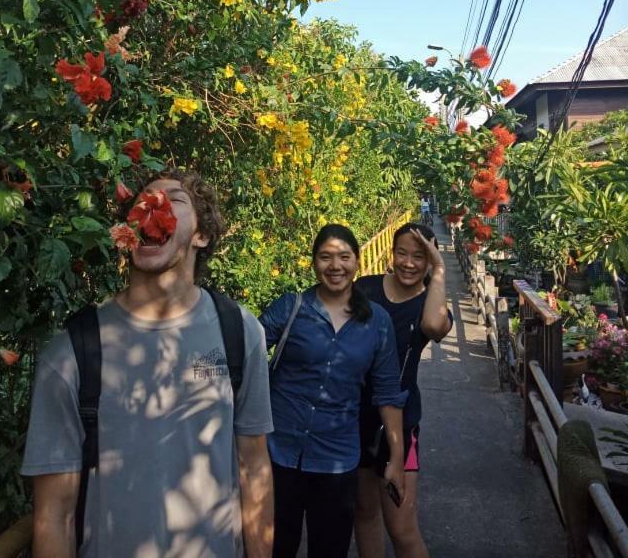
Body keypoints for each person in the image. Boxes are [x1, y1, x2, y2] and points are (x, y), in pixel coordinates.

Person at [22, 169, 274, 558]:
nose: (152, 205)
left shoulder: (240, 333)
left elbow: (254, 468)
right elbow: (55, 513)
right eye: (143, 200)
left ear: (201, 235)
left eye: (173, 199)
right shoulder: (73, 350)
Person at [259, 223, 407, 558]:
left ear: (357, 261)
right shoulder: (291, 308)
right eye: (325, 257)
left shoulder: (377, 322)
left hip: (337, 458)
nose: (335, 265)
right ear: (314, 263)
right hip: (279, 452)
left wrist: (396, 459)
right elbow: (248, 355)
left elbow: (387, 392)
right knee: (275, 547)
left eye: (344, 256)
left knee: (330, 549)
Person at [354, 221, 453, 558]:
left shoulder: (429, 303)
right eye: (401, 253)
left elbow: (433, 327)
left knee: (402, 528)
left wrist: (439, 270)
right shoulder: (364, 290)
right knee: (364, 515)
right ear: (391, 254)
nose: (409, 263)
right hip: (354, 418)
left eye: (419, 256)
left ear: (429, 261)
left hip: (399, 425)